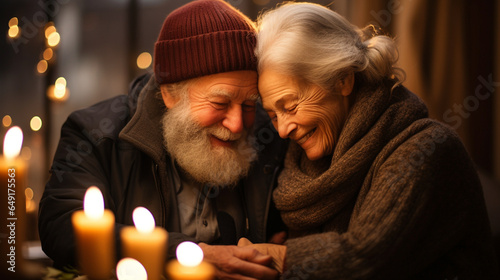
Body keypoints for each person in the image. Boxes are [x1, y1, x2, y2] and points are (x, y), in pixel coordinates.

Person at [242, 2, 500, 279]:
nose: (282, 130)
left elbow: (367, 256)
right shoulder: (305, 158)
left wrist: (272, 256)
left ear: (342, 80)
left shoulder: (428, 148)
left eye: (290, 106)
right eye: (272, 115)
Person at [38, 1, 287, 279]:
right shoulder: (94, 134)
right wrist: (189, 255)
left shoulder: (276, 133)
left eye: (250, 105)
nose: (238, 123)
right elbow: (61, 227)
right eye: (220, 102)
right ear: (170, 94)